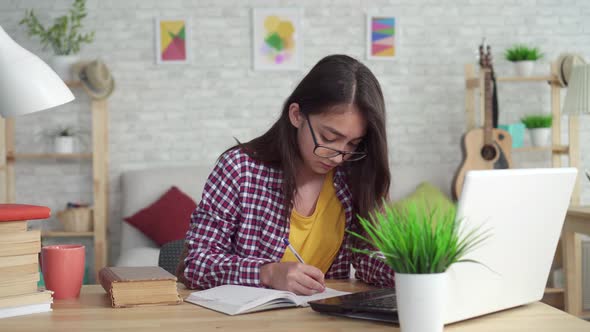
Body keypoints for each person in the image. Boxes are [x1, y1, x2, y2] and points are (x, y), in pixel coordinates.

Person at [179, 54, 394, 295]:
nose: (338, 157)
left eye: (353, 144)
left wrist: (410, 270)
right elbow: (195, 264)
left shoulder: (353, 176)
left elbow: (367, 258)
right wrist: (267, 273)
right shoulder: (240, 169)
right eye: (329, 138)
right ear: (296, 115)